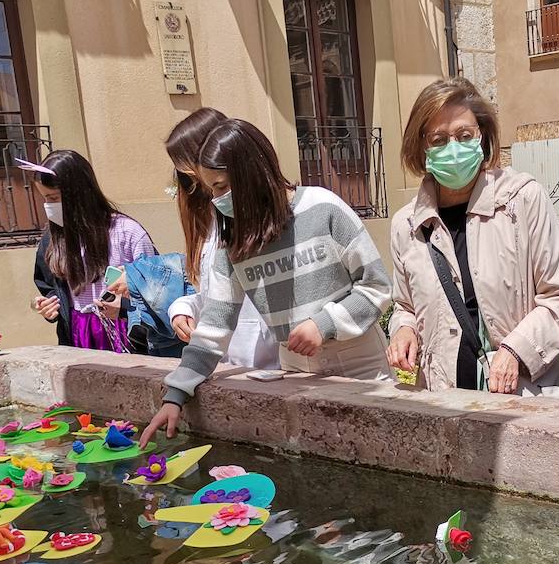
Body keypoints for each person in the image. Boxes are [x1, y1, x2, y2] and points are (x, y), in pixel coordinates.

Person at [140, 119, 393, 444]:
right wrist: (175, 393)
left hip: (360, 364)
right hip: (295, 371)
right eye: (211, 189)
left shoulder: (323, 208)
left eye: (220, 186)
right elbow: (214, 327)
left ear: (251, 173)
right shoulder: (232, 242)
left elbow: (376, 286)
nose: (216, 199)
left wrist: (323, 324)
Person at [386, 78, 559, 396]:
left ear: (481, 135)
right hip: (445, 402)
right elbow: (404, 306)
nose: (453, 148)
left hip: (524, 399)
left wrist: (516, 350)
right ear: (421, 146)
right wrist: (403, 330)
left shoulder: (523, 199)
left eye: (464, 135)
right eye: (438, 139)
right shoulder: (406, 225)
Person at [161, 108, 279, 369]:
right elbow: (218, 294)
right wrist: (185, 307)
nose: (193, 185)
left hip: (269, 362)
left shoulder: (260, 221)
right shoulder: (213, 223)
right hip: (232, 363)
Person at [30, 149, 156, 352]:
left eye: (53, 198)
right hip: (78, 334)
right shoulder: (53, 239)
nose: (48, 206)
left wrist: (125, 308)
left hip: (126, 333)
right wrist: (49, 305)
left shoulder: (127, 232)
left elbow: (156, 290)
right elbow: (50, 285)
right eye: (45, 198)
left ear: (78, 194)